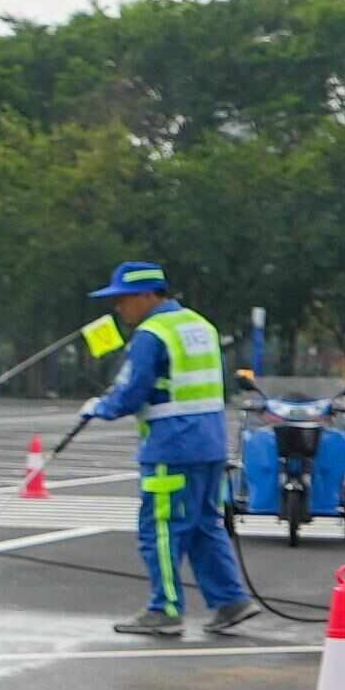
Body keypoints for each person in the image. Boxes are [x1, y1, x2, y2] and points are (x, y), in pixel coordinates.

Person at [70, 259, 258, 639]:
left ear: (146, 295)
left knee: (160, 529)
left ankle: (165, 608)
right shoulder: (200, 325)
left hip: (171, 446)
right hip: (209, 443)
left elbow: (131, 391)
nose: (119, 308)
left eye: (123, 300)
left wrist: (98, 407)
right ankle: (230, 600)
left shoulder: (152, 333)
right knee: (205, 526)